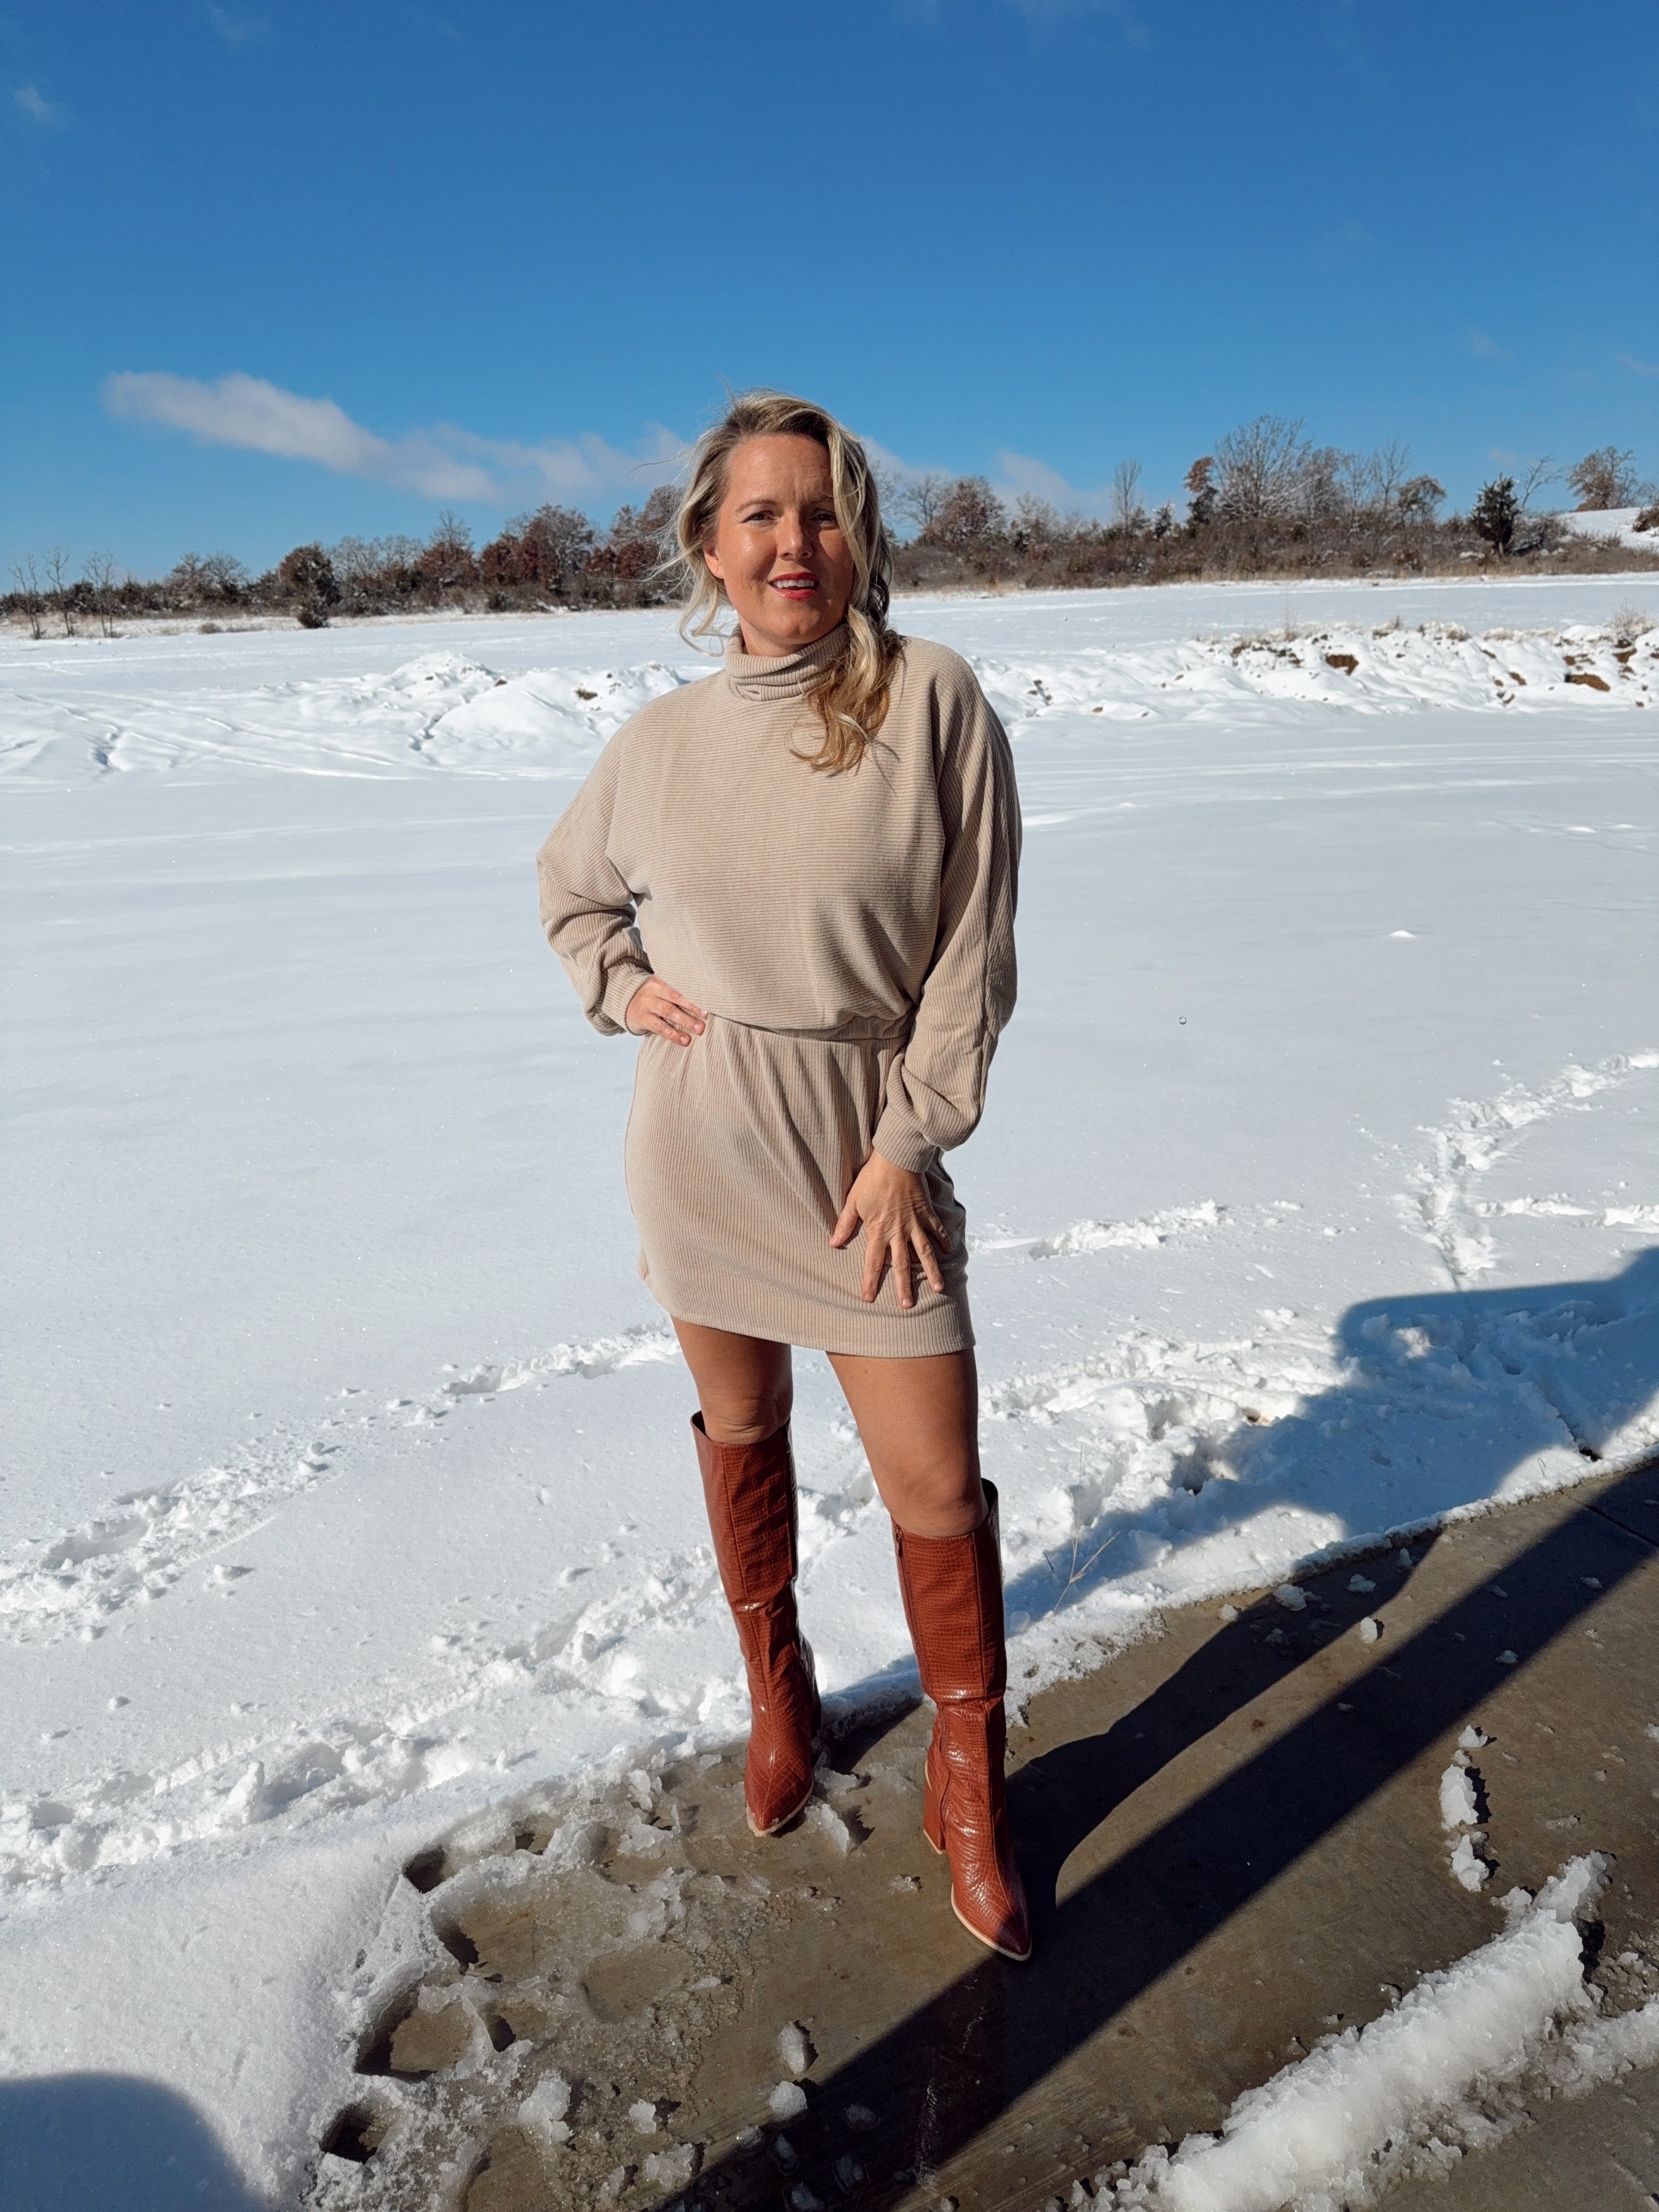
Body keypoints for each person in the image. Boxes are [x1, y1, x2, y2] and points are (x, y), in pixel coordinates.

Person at [535, 392, 1028, 1960]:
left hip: (865, 1147)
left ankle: (968, 1782)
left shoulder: (931, 699)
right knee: (742, 1426)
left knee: (934, 1485)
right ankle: (779, 1693)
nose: (792, 543)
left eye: (820, 513)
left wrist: (908, 1144)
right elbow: (570, 895)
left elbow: (973, 951)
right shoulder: (658, 744)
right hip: (701, 1143)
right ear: (709, 544)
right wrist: (624, 989)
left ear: (857, 537)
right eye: (760, 514)